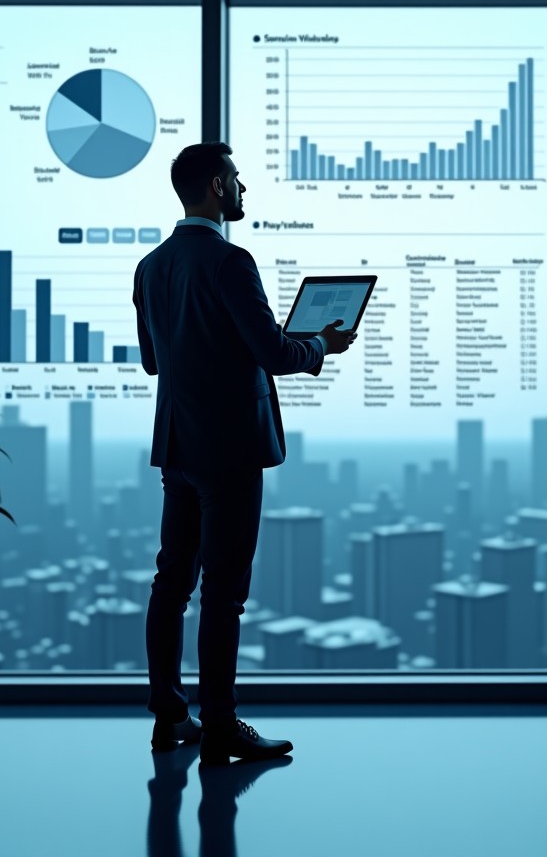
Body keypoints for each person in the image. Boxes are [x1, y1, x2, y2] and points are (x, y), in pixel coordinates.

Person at [134, 141, 355, 764]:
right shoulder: (231, 263)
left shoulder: (150, 268)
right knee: (225, 592)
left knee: (171, 582)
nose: (242, 190)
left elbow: (155, 361)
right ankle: (223, 725)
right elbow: (276, 354)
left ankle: (168, 717)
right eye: (235, 180)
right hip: (228, 451)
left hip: (177, 447)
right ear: (213, 186)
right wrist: (321, 346)